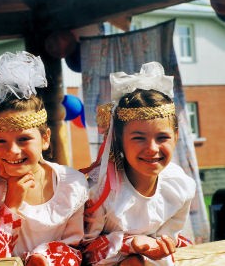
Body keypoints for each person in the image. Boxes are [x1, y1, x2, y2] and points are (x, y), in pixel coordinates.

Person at [0, 51, 89, 266]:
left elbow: (74, 249)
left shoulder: (72, 183)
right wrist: (10, 204)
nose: (13, 151)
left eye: (23, 139)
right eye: (1, 141)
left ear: (45, 138)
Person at [81, 62, 196, 266]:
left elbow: (168, 239)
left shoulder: (181, 186)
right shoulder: (98, 191)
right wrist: (131, 245)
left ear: (176, 136)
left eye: (162, 137)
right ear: (118, 139)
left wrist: (154, 248)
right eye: (139, 138)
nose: (152, 148)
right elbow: (85, 251)